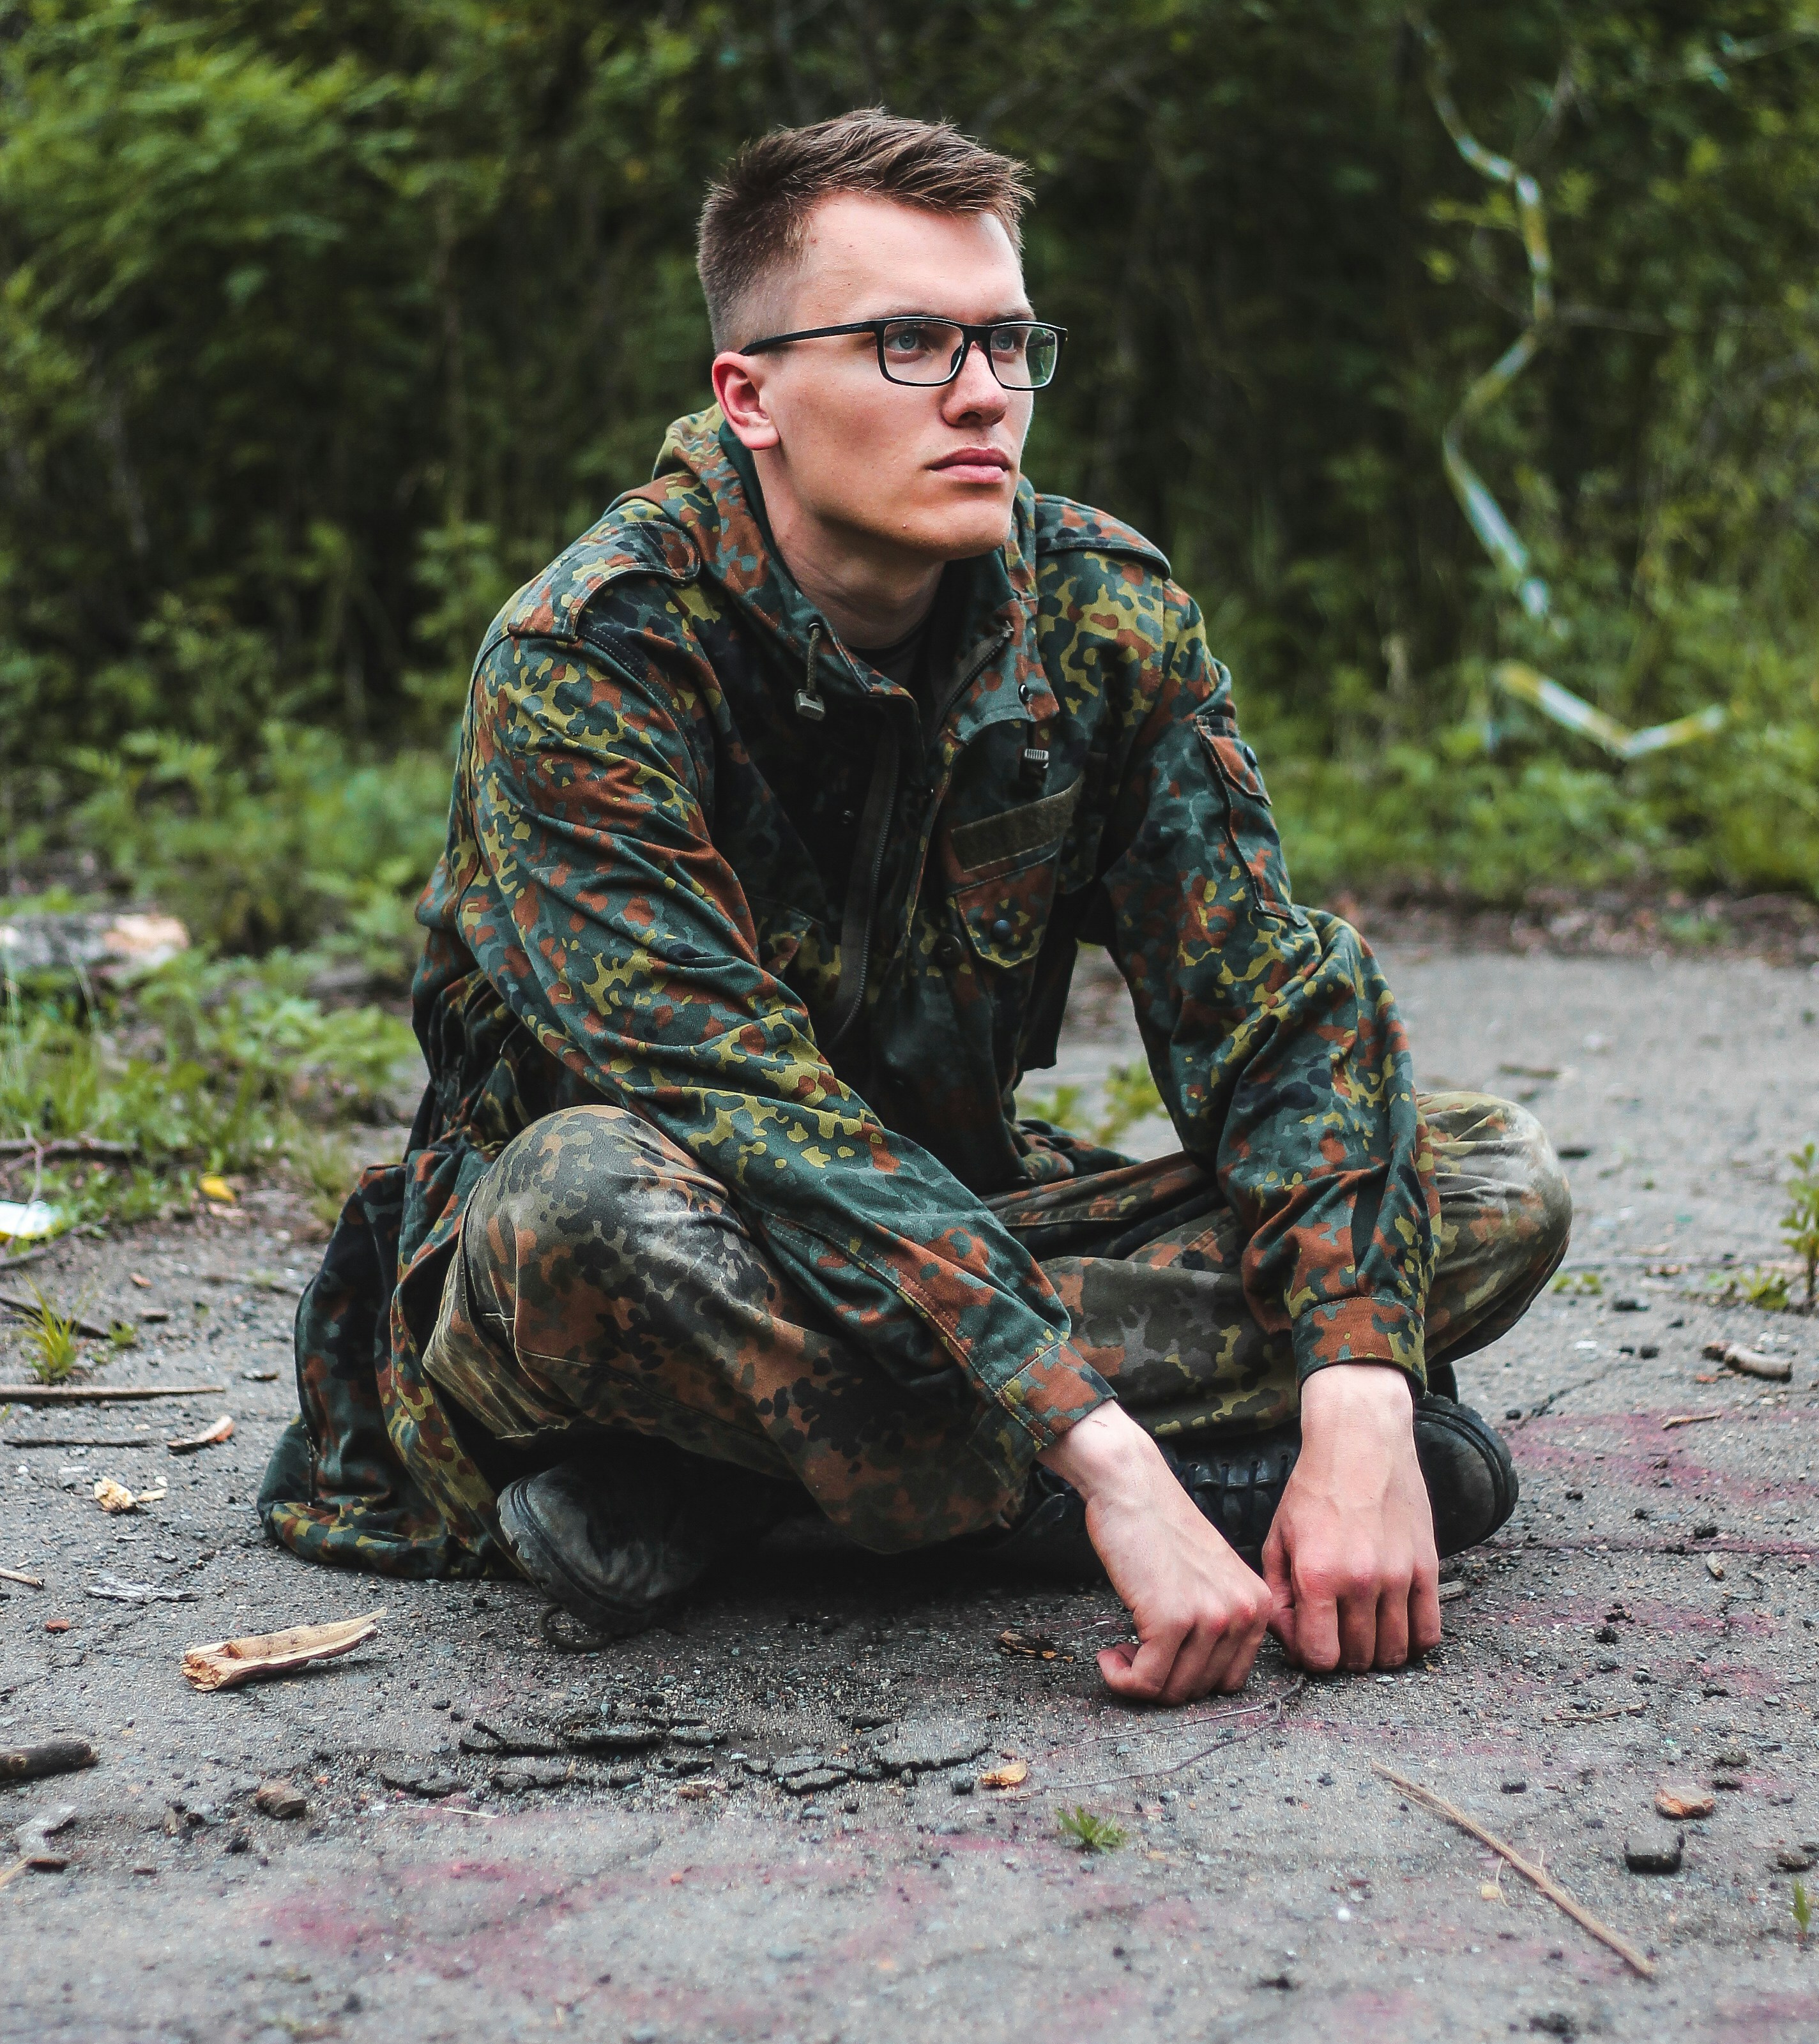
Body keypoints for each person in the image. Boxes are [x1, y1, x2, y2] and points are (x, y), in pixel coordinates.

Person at [262, 109, 1568, 1703]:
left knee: (1485, 1183)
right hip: (669, 1253)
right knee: (574, 1202)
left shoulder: (1099, 616)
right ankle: (1091, 1492)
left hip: (946, 1232)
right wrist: (1103, 1466)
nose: (980, 395)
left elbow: (1273, 1016)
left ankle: (730, 1493)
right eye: (906, 343)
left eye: (1009, 344)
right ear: (747, 395)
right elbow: (740, 1112)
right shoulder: (591, 658)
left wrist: (1359, 1395)